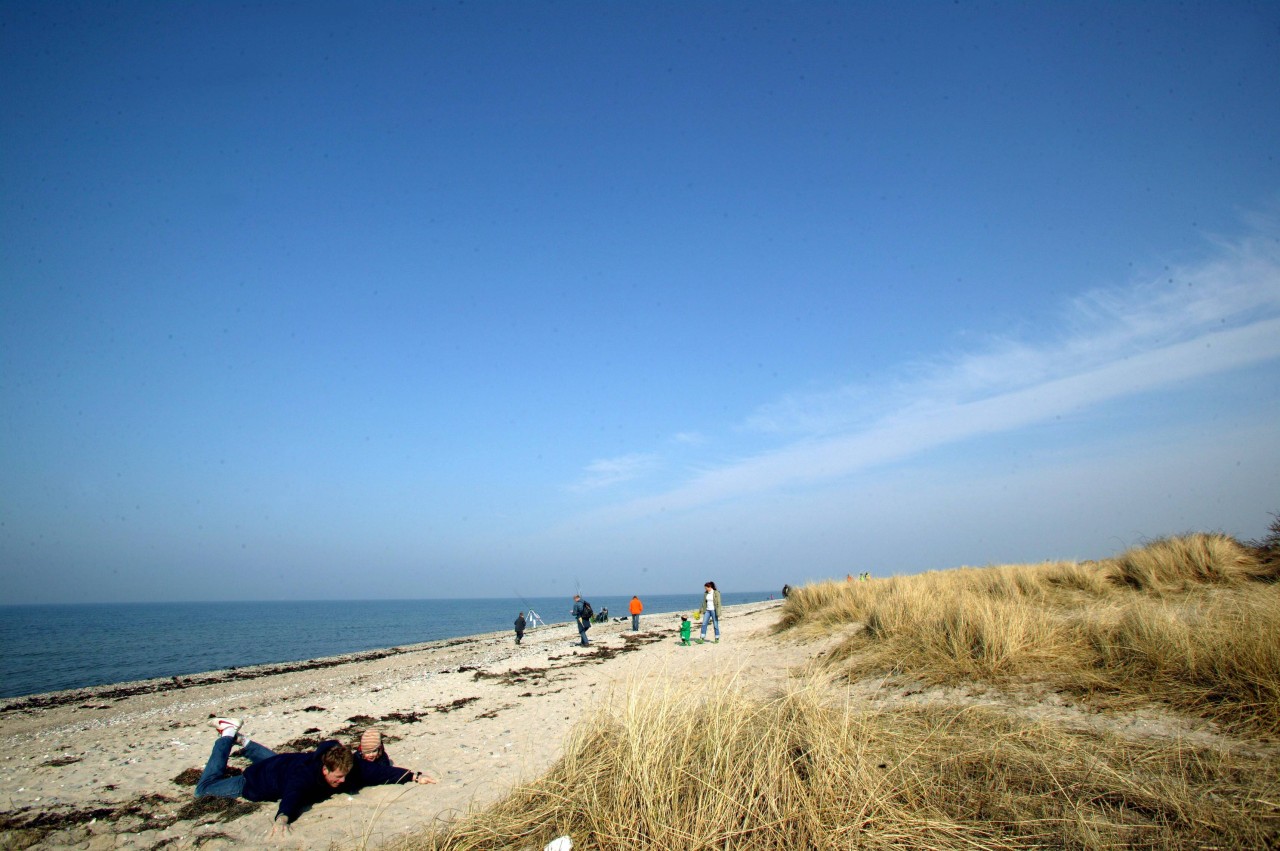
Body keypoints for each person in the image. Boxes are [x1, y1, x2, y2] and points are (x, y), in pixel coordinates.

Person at [195, 717, 435, 839]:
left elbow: (381, 773)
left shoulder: (349, 766)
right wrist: (282, 819)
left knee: (279, 762)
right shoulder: (304, 778)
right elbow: (292, 795)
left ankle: (244, 742)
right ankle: (227, 734)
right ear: (324, 770)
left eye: (345, 777)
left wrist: (413, 776)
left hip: (285, 763)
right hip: (255, 780)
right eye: (337, 778)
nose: (342, 782)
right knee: (204, 789)